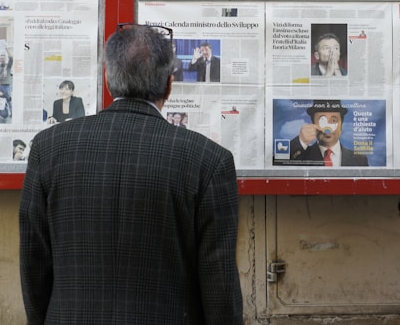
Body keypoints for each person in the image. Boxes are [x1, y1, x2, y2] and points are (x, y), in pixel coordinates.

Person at [19, 24, 242, 324]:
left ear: (109, 79)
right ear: (169, 85)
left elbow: (34, 261)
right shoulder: (208, 160)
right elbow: (219, 282)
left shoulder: (48, 148)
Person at [280, 99, 368, 167]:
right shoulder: (300, 156)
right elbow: (275, 164)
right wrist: (300, 141)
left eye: (333, 120)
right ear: (313, 123)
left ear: (341, 124)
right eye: (322, 120)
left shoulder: (360, 160)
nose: (328, 128)